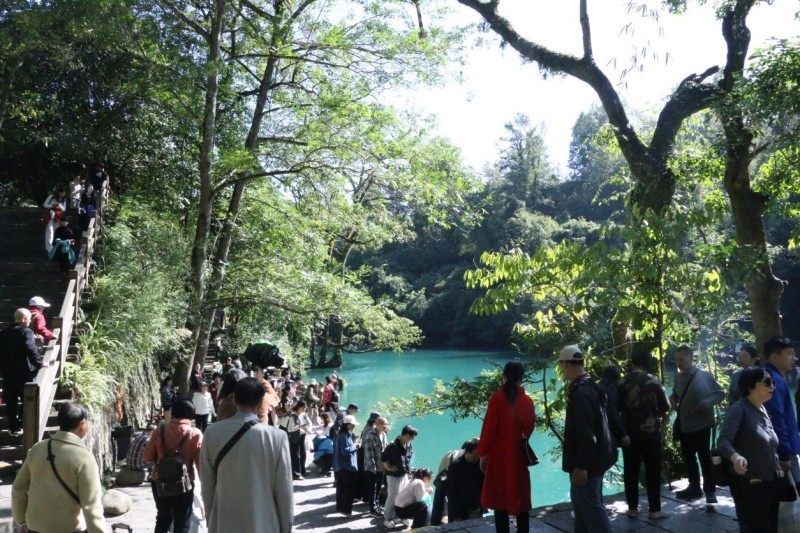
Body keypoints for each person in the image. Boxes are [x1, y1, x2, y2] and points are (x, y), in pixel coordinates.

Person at [200, 377, 293, 533]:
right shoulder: (277, 437)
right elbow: (284, 491)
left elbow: (207, 485)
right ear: (260, 402)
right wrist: (286, 527)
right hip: (264, 523)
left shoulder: (212, 433)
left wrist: (212, 519)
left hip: (224, 521)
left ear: (234, 399)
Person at [12, 402, 105, 533]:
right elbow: (91, 505)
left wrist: (21, 521)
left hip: (35, 527)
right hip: (69, 528)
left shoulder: (38, 449)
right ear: (82, 424)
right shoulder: (84, 458)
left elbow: (18, 488)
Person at [560, 345, 617, 533]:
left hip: (588, 463)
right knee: (581, 506)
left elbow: (586, 432)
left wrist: (581, 466)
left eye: (561, 365)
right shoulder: (592, 385)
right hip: (598, 457)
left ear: (566, 364)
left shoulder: (581, 392)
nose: (561, 369)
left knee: (591, 506)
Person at [718, 367, 783, 533]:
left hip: (769, 481)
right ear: (750, 387)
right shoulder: (738, 409)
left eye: (772, 382)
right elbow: (723, 441)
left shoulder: (762, 408)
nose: (772, 386)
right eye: (767, 382)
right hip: (749, 484)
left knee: (770, 526)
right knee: (754, 527)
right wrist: (736, 457)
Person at [477, 360, 535, 533]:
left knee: (499, 500)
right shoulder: (527, 401)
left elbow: (488, 430)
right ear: (522, 378)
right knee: (521, 497)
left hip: (499, 457)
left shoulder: (497, 400)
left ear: (503, 376)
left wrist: (482, 454)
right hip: (518, 457)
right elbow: (529, 428)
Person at [617, 351, 671, 519]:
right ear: (647, 363)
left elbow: (617, 407)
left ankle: (632, 508)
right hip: (651, 433)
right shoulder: (654, 381)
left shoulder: (622, 382)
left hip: (629, 434)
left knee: (630, 471)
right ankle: (654, 510)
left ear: (632, 363)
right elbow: (665, 406)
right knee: (652, 471)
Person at [669, 345, 724, 503]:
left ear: (690, 358)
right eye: (676, 360)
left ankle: (710, 490)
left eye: (681, 359)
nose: (678, 363)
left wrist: (706, 403)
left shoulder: (704, 376)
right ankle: (694, 487)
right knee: (688, 457)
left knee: (704, 457)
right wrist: (672, 399)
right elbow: (676, 394)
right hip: (685, 424)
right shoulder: (678, 377)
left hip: (702, 424)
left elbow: (720, 394)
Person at [142, 397, 203, 533]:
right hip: (184, 484)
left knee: (163, 518)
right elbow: (201, 464)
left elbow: (147, 457)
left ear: (173, 412)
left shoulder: (159, 430)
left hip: (160, 481)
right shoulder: (195, 434)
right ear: (191, 414)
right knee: (182, 522)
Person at [761, 336, 800, 490]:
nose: (794, 358)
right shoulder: (772, 379)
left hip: (784, 444)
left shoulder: (774, 376)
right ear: (775, 356)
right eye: (789, 354)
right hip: (782, 447)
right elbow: (776, 417)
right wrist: (783, 452)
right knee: (792, 489)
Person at [0, 309, 45, 433]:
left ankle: (13, 427)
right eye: (29, 319)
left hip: (7, 373)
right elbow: (30, 349)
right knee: (27, 400)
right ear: (24, 319)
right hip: (24, 373)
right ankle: (21, 424)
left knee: (11, 402)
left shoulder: (3, 333)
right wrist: (39, 363)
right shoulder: (26, 332)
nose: (30, 322)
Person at [382, 424, 418, 528]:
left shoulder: (408, 445)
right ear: (406, 435)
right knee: (393, 496)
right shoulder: (392, 446)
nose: (412, 439)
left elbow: (408, 458)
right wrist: (388, 467)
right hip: (393, 475)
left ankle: (401, 516)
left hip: (404, 474)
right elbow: (383, 458)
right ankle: (388, 518)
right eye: (412, 437)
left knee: (404, 495)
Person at [446, 439, 485, 523]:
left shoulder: (479, 464)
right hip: (460, 506)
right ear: (467, 452)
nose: (476, 459)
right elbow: (452, 491)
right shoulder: (456, 466)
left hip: (475, 505)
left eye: (478, 457)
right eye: (474, 456)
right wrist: (455, 513)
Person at [363, 415, 389, 517]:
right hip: (372, 468)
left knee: (378, 487)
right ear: (376, 424)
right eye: (383, 424)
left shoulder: (384, 434)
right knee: (372, 488)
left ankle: (377, 505)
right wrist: (373, 468)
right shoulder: (370, 436)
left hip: (382, 466)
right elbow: (368, 454)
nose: (385, 426)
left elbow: (385, 449)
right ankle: (372, 509)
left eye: (386, 424)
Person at [333, 414, 360, 516]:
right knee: (348, 490)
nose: (354, 426)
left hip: (342, 466)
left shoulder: (343, 435)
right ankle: (346, 511)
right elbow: (345, 451)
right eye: (353, 424)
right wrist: (355, 446)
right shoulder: (344, 436)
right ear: (348, 425)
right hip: (347, 467)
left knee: (341, 488)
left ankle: (341, 509)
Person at [286, 399, 312, 480]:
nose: (305, 408)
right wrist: (299, 426)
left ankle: (302, 470)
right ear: (300, 407)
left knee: (303, 453)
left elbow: (309, 423)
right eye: (304, 407)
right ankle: (296, 474)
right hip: (295, 437)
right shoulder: (293, 416)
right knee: (295, 455)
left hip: (302, 436)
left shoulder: (304, 414)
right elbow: (289, 429)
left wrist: (309, 429)